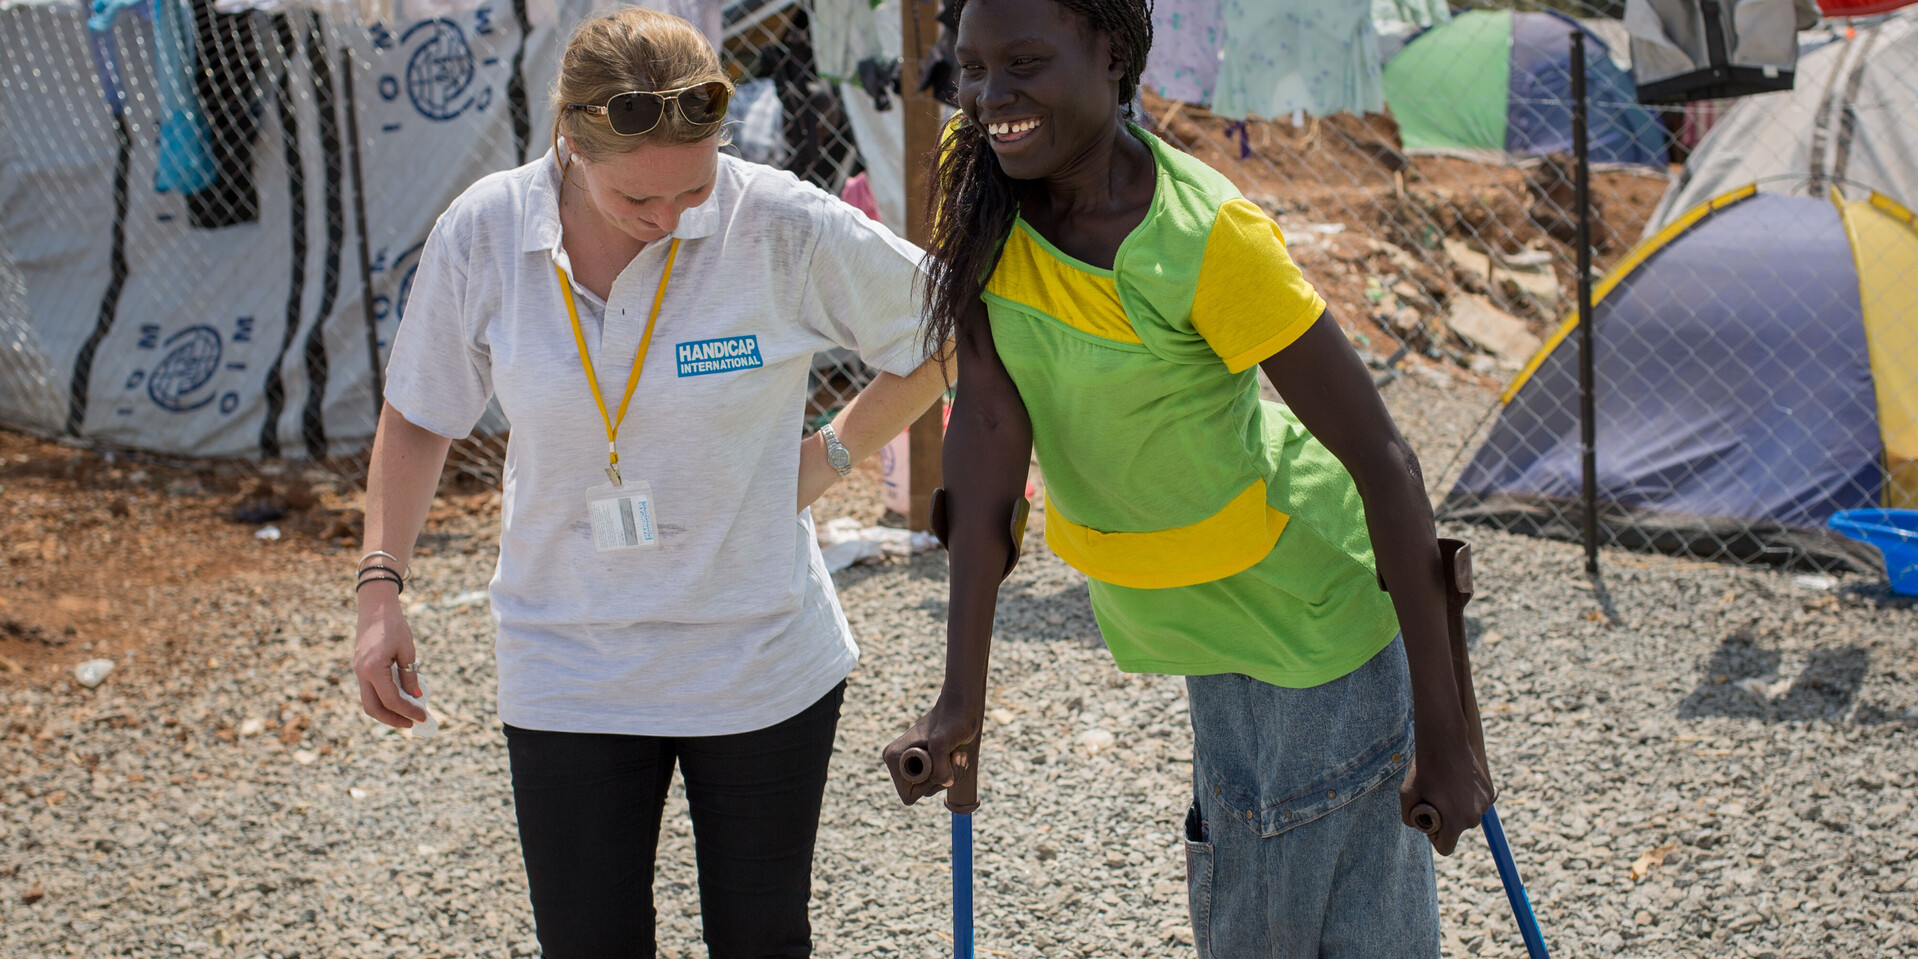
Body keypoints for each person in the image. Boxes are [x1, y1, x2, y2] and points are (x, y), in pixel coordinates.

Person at [880, 1, 1495, 956]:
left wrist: (1447, 733)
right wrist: (960, 697)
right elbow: (989, 426)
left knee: (1278, 922)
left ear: (1112, 53)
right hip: (1205, 623)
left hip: (1305, 614)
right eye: (972, 68)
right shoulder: (982, 182)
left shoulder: (1206, 235)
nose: (991, 96)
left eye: (1025, 64)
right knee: (1312, 908)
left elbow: (1383, 459)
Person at [351, 9, 948, 957]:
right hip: (568, 663)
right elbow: (420, 414)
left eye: (694, 189)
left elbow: (947, 326)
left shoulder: (778, 219)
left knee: (761, 942)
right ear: (569, 140)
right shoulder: (487, 230)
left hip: (756, 660)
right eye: (637, 197)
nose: (671, 218)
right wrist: (380, 587)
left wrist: (828, 455)